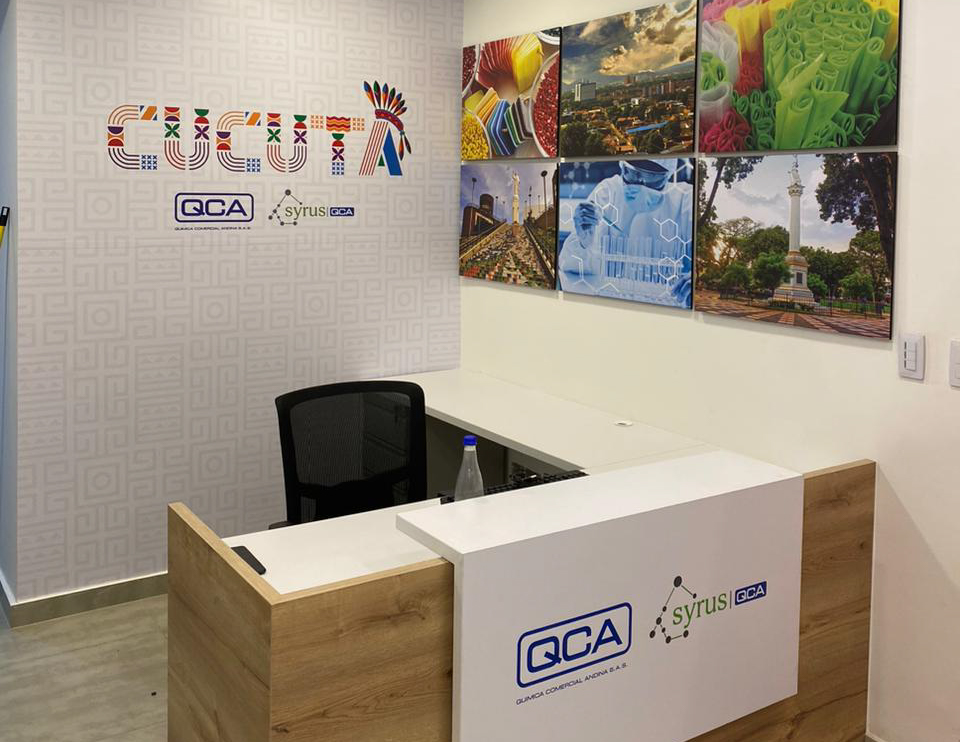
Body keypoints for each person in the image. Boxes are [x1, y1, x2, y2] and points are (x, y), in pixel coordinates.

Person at [559, 159, 693, 306]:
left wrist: (698, 279)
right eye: (634, 175)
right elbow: (570, 267)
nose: (641, 185)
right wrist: (583, 242)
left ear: (668, 176)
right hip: (610, 303)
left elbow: (703, 261)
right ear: (623, 167)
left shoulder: (685, 198)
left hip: (665, 307)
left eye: (652, 178)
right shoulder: (608, 191)